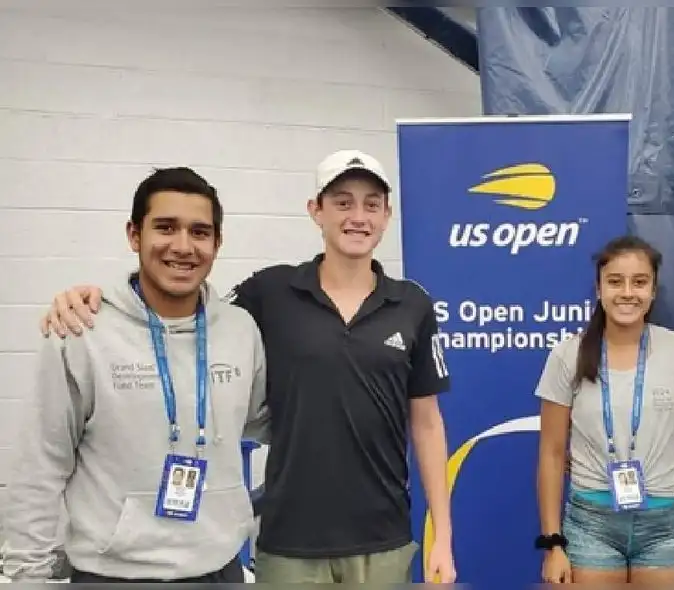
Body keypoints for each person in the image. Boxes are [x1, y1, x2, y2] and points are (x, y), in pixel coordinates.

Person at [35, 150, 456, 584]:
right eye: (342, 202)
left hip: (383, 536)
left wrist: (442, 534)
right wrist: (97, 299)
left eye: (372, 204)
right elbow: (180, 308)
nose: (358, 216)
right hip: (288, 541)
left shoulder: (412, 304)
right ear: (316, 210)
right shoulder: (269, 293)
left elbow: (427, 423)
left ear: (387, 215)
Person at [2, 167, 270, 583]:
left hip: (220, 570)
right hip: (113, 574)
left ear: (217, 242)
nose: (183, 247)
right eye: (165, 227)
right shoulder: (81, 330)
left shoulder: (240, 330)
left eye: (200, 232)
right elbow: (39, 467)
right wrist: (25, 576)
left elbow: (261, 419)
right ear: (134, 234)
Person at [534, 235, 674, 585]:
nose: (627, 292)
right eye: (615, 282)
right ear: (599, 290)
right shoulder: (568, 355)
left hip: (666, 525)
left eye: (640, 282)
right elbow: (552, 453)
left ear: (654, 290)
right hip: (591, 525)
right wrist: (553, 544)